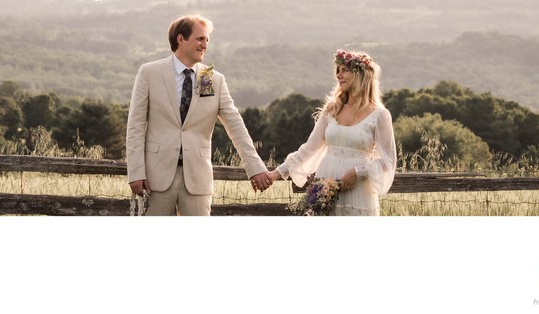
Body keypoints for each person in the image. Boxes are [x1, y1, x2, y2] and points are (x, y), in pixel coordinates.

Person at [126, 14, 271, 215]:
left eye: (207, 40)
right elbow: (135, 126)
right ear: (180, 39)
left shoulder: (211, 78)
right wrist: (135, 172)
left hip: (197, 180)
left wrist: (254, 167)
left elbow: (235, 126)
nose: (205, 45)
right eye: (200, 39)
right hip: (154, 178)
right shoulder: (149, 73)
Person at [266, 48, 396, 215]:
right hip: (325, 185)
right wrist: (277, 173)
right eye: (338, 71)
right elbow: (309, 149)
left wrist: (358, 172)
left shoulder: (380, 115)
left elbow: (388, 161)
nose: (338, 75)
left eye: (345, 70)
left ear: (361, 75)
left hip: (358, 190)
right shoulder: (332, 109)